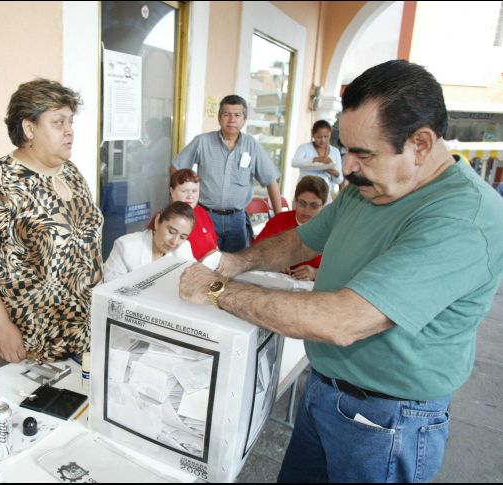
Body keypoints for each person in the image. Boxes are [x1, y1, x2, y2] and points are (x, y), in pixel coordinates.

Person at [178, 60, 503, 482]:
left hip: (386, 420)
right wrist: (234, 262)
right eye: (345, 149)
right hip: (325, 389)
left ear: (421, 144)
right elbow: (301, 239)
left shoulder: (463, 219)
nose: (346, 167)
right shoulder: (371, 188)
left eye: (362, 153)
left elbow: (343, 320)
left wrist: (219, 289)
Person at [0, 79, 102, 370]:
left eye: (70, 121)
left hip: (76, 332)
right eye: (58, 122)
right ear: (29, 128)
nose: (70, 130)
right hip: (22, 339)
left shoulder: (70, 172)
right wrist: (1, 327)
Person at [172, 95, 281, 253]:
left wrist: (279, 220)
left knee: (235, 267)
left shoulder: (252, 145)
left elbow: (271, 180)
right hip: (206, 215)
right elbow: (176, 168)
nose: (231, 119)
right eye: (226, 114)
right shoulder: (202, 142)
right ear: (219, 117)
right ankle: (212, 280)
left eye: (237, 115)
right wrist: (182, 202)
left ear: (244, 119)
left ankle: (224, 280)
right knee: (204, 262)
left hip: (237, 220)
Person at [254, 175, 328, 281]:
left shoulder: (331, 230)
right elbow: (254, 253)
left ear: (323, 207)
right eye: (302, 203)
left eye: (314, 205)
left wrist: (316, 273)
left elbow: (342, 269)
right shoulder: (279, 221)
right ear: (294, 201)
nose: (307, 210)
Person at [103, 201, 195, 282]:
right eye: (171, 232)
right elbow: (109, 292)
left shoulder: (184, 249)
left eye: (182, 237)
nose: (174, 242)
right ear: (157, 221)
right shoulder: (126, 246)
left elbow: (195, 282)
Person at [167, 169, 218, 260]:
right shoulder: (164, 218)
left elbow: (215, 245)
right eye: (184, 191)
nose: (190, 196)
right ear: (171, 191)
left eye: (194, 191)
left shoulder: (202, 212)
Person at [290, 119, 343, 193]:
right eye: (319, 137)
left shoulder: (335, 152)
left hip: (324, 191)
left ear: (330, 134)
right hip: (305, 189)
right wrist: (316, 159)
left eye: (326, 136)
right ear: (313, 134)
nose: (323, 140)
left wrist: (333, 172)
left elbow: (339, 180)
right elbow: (294, 163)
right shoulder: (304, 147)